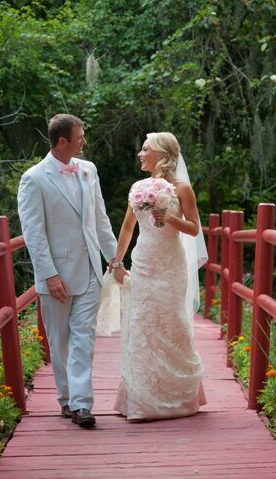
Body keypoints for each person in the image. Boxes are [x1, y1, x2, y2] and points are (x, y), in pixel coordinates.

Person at [17, 114, 117, 428]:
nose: (83, 141)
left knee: (83, 338)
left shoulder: (89, 170)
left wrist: (114, 259)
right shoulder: (34, 178)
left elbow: (100, 219)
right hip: (56, 275)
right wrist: (49, 274)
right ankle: (66, 399)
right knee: (59, 341)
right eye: (80, 136)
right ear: (63, 141)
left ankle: (81, 405)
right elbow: (34, 233)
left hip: (90, 272)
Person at [112, 132, 207, 421]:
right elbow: (128, 228)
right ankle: (141, 400)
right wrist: (116, 262)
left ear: (162, 154)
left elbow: (193, 229)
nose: (140, 154)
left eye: (145, 149)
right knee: (142, 326)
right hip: (143, 263)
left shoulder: (182, 189)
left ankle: (178, 398)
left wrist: (169, 218)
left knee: (172, 325)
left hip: (171, 266)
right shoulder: (138, 187)